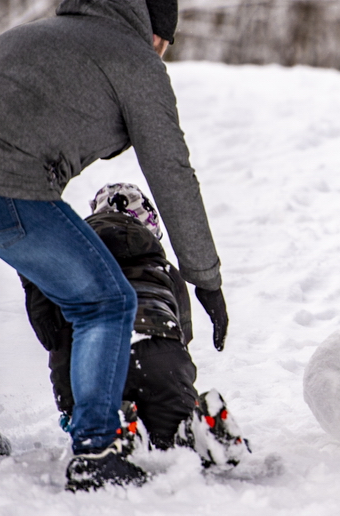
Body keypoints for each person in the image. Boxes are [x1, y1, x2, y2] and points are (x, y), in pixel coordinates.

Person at [0, 0, 230, 491]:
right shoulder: (137, 62)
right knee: (106, 301)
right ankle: (96, 450)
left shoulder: (43, 32)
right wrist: (205, 277)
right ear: (158, 36)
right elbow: (171, 172)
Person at [22, 183, 248, 467]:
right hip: (158, 354)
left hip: (91, 362)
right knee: (173, 435)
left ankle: (122, 430)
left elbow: (56, 339)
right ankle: (198, 428)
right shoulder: (165, 271)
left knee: (100, 425)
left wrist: (69, 405)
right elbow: (180, 338)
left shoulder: (67, 261)